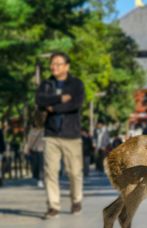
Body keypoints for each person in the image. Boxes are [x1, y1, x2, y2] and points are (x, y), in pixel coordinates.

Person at [36, 52, 85, 219]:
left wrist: (54, 107)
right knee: (50, 171)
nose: (53, 66)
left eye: (57, 63)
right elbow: (40, 100)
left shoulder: (76, 84)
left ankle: (76, 200)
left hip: (71, 134)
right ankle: (53, 206)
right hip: (51, 134)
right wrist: (59, 98)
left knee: (74, 172)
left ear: (66, 66)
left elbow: (75, 104)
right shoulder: (47, 84)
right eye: (52, 63)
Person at [24, 121, 45, 188]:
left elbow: (29, 141)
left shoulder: (41, 130)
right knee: (38, 165)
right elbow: (29, 141)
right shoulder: (33, 130)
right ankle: (40, 178)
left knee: (39, 165)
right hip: (37, 150)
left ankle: (40, 179)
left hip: (38, 149)